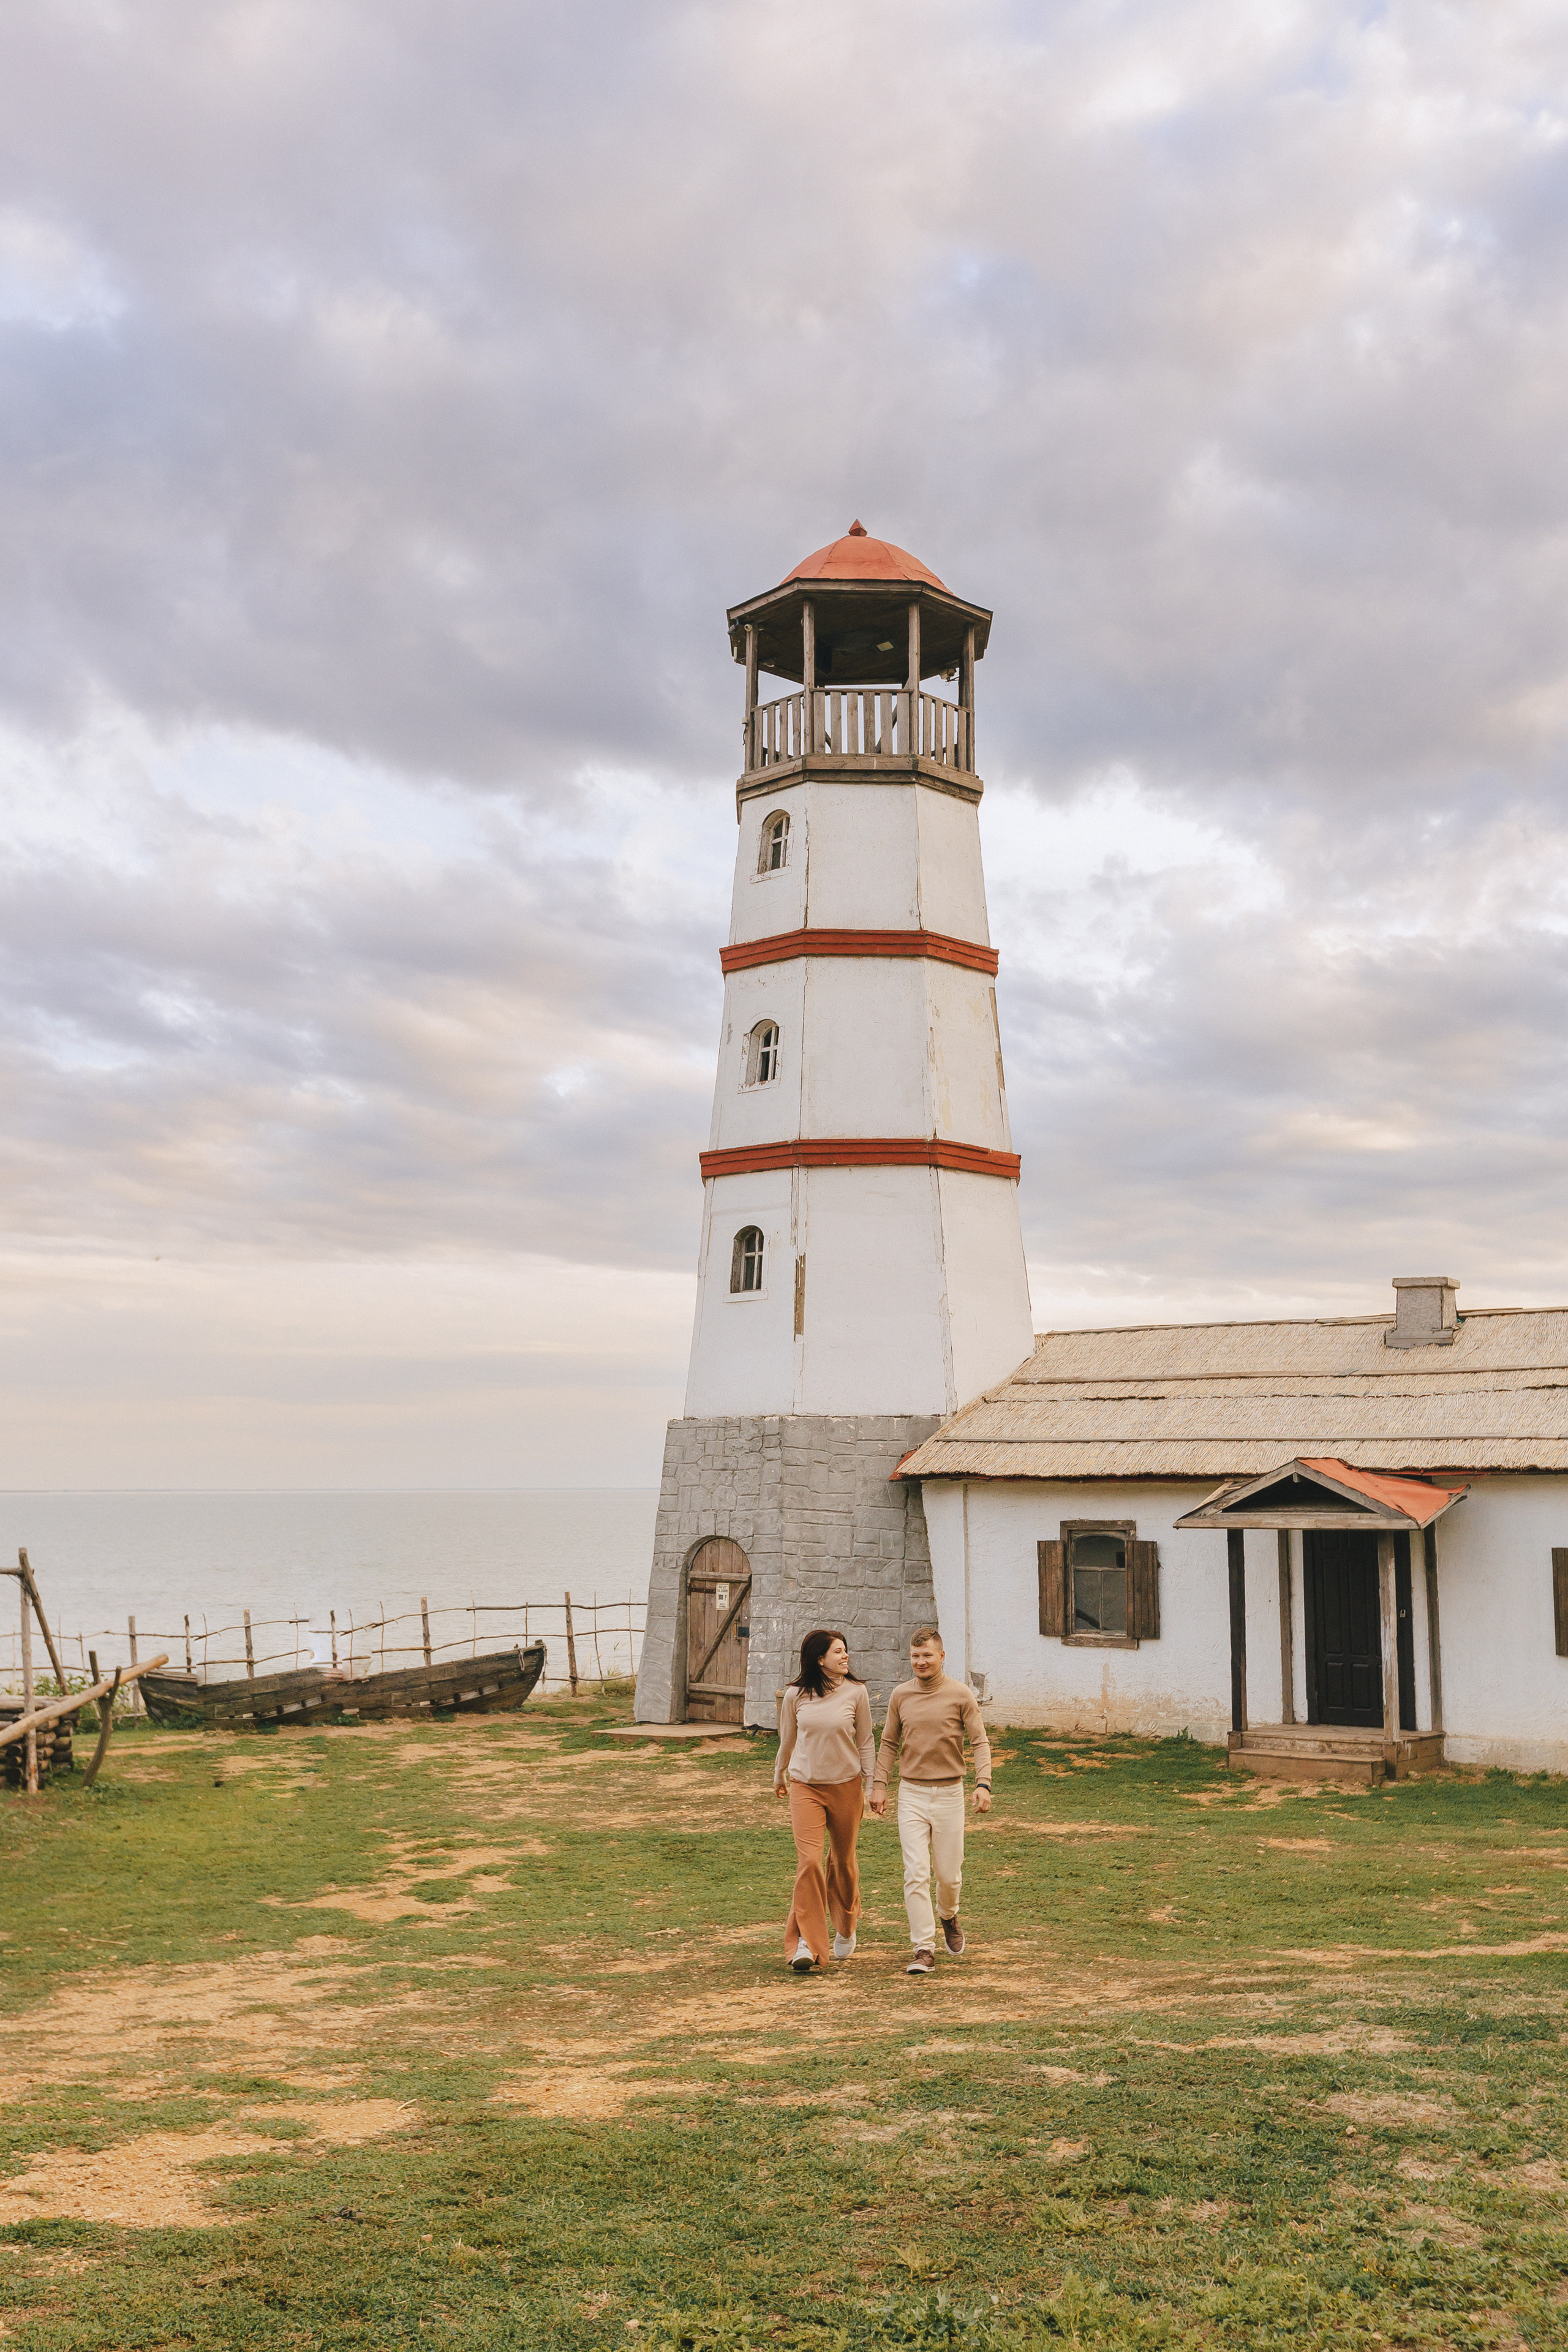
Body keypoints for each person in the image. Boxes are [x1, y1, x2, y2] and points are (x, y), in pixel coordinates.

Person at [869, 1625, 992, 1975]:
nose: (921, 1662)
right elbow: (889, 1743)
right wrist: (880, 1785)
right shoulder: (900, 1696)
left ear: (941, 1657)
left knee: (949, 1876)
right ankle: (923, 1947)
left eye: (927, 1656)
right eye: (915, 1656)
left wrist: (983, 1783)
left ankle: (949, 1915)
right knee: (916, 1872)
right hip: (911, 1793)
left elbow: (980, 1741)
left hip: (950, 1793)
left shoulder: (960, 1694)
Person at [774, 1629, 875, 1973]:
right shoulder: (795, 1695)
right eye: (838, 1652)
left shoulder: (856, 1693)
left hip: (847, 1786)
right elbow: (787, 1738)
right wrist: (779, 1773)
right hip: (806, 1787)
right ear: (820, 1659)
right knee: (810, 1864)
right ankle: (805, 1943)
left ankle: (846, 1926)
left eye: (846, 1651)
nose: (845, 1656)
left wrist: (874, 1784)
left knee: (843, 1862)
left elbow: (866, 1742)